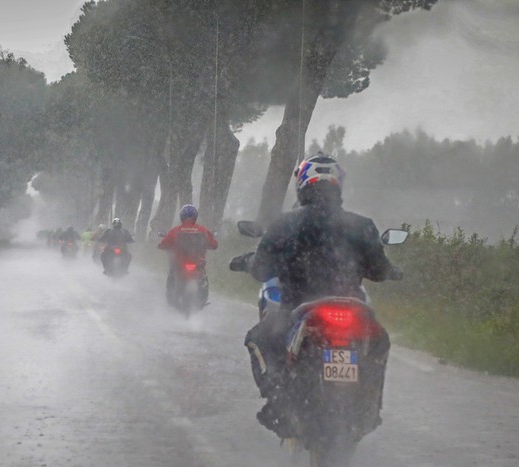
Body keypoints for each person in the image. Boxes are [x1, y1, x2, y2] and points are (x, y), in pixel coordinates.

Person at [243, 152, 402, 437]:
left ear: (302, 184)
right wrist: (390, 269)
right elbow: (378, 271)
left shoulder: (284, 224)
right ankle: (370, 407)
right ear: (338, 185)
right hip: (352, 306)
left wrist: (254, 264)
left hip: (299, 306)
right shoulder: (362, 224)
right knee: (379, 342)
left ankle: (277, 402)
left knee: (257, 338)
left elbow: (261, 269)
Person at [157, 204, 219, 305]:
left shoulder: (175, 230)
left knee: (172, 274)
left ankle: (170, 298)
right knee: (203, 276)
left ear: (182, 217)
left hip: (179, 263)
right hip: (198, 262)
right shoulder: (203, 230)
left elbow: (164, 244)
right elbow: (214, 245)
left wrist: (161, 246)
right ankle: (202, 299)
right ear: (195, 216)